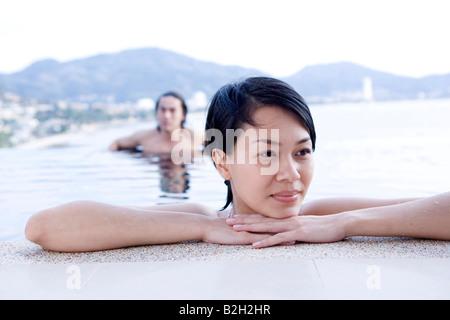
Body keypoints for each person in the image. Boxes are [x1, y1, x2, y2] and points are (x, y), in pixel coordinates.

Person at [25, 77, 450, 252]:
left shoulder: (323, 214)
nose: (291, 173)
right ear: (222, 163)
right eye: (266, 152)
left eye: (302, 151)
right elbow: (44, 227)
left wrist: (347, 223)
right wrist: (205, 227)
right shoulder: (202, 216)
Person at [109, 91, 203, 158]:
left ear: (183, 114)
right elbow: (117, 143)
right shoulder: (144, 137)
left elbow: (216, 145)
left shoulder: (196, 137)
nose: (166, 116)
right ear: (156, 112)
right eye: (162, 110)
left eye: (172, 110)